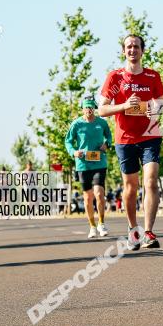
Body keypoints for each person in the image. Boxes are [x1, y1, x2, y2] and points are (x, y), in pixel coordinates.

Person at [99, 34, 163, 251]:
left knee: (151, 180)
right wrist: (124, 106)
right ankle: (132, 228)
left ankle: (148, 232)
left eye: (136, 46)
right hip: (125, 138)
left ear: (142, 50)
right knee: (131, 186)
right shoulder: (115, 78)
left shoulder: (152, 76)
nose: (132, 50)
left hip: (150, 135)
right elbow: (102, 110)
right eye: (129, 47)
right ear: (123, 51)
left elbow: (160, 107)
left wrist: (150, 108)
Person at [65, 95, 113, 238]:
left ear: (95, 108)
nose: (89, 110)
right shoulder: (77, 124)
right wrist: (73, 152)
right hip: (83, 164)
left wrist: (107, 144)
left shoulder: (102, 123)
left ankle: (101, 223)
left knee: (99, 193)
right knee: (87, 197)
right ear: (82, 109)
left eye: (91, 107)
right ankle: (92, 226)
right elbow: (68, 141)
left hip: (99, 162)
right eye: (86, 107)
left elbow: (109, 136)